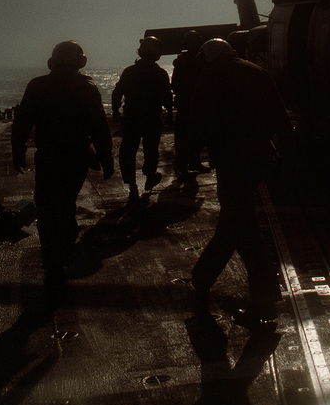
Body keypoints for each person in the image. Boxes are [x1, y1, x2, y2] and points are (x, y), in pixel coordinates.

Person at [189, 38, 294, 330]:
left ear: (208, 56)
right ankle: (202, 277)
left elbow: (198, 119)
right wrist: (288, 154)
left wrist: (192, 155)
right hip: (261, 155)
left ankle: (265, 301)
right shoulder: (256, 71)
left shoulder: (210, 76)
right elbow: (280, 115)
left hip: (232, 158)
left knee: (245, 228)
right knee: (234, 220)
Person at [11, 41, 114, 292]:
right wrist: (106, 158)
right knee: (66, 204)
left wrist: (18, 152)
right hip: (76, 157)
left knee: (47, 207)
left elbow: (22, 122)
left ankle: (52, 260)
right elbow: (99, 127)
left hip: (47, 156)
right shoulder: (87, 87)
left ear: (52, 62)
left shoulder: (37, 86)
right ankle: (65, 253)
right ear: (80, 61)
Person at [111, 35, 173, 204]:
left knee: (128, 151)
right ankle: (150, 175)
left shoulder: (130, 71)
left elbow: (118, 92)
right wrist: (170, 113)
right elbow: (167, 96)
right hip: (152, 117)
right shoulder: (160, 73)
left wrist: (115, 110)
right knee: (151, 149)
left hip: (132, 117)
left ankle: (131, 184)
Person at [171, 30, 205, 176]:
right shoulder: (184, 61)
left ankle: (193, 162)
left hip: (194, 103)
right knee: (184, 135)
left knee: (196, 135)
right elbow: (176, 84)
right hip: (187, 103)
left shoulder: (200, 60)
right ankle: (183, 163)